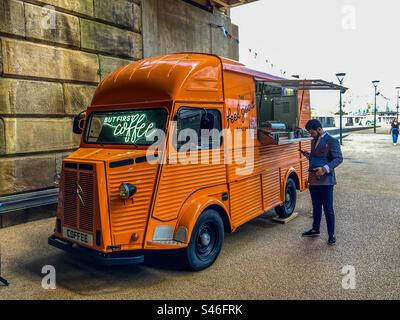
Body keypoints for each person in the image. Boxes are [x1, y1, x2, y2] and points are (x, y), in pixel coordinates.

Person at [299, 119, 343, 245]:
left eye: (312, 133)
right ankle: (315, 229)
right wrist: (309, 156)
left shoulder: (332, 140)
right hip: (314, 179)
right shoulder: (314, 141)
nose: (311, 135)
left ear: (319, 129)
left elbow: (339, 158)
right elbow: (317, 157)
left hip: (326, 180)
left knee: (328, 209)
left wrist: (324, 169)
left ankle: (331, 235)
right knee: (316, 207)